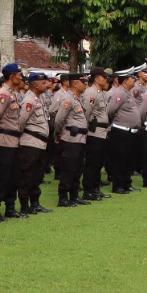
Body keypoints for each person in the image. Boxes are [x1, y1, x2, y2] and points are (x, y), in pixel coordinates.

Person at [0, 63, 27, 220]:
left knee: (14, 176)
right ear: (12, 76)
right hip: (3, 141)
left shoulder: (13, 94)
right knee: (2, 176)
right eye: (19, 75)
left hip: (15, 140)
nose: (21, 77)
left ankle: (10, 206)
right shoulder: (3, 94)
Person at [17, 70, 56, 211]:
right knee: (28, 174)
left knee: (37, 174)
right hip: (30, 142)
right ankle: (24, 205)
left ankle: (35, 203)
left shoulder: (38, 98)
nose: (46, 85)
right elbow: (21, 121)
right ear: (35, 85)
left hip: (40, 142)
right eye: (43, 83)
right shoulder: (29, 100)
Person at [52, 72, 90, 206]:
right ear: (75, 84)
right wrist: (58, 134)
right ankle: (63, 197)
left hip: (80, 139)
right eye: (83, 83)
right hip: (70, 139)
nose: (85, 85)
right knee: (68, 168)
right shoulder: (67, 99)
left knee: (78, 168)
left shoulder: (77, 98)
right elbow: (58, 120)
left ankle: (74, 195)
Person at [82, 68, 113, 199]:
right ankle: (88, 190)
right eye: (103, 77)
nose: (106, 79)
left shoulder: (101, 93)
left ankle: (95, 188)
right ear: (96, 78)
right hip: (94, 133)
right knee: (92, 163)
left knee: (98, 163)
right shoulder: (91, 93)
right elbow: (85, 114)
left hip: (102, 132)